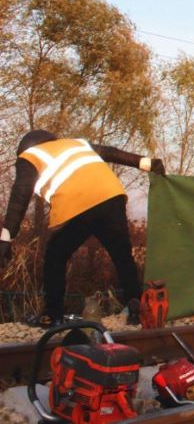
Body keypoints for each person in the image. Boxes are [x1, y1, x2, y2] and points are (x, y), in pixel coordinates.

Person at [0, 130, 166, 327]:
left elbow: (20, 194)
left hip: (76, 205)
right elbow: (111, 152)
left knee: (55, 257)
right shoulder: (76, 144)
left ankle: (52, 315)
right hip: (111, 197)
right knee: (122, 257)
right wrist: (146, 162)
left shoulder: (30, 156)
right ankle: (136, 306)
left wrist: (6, 236)